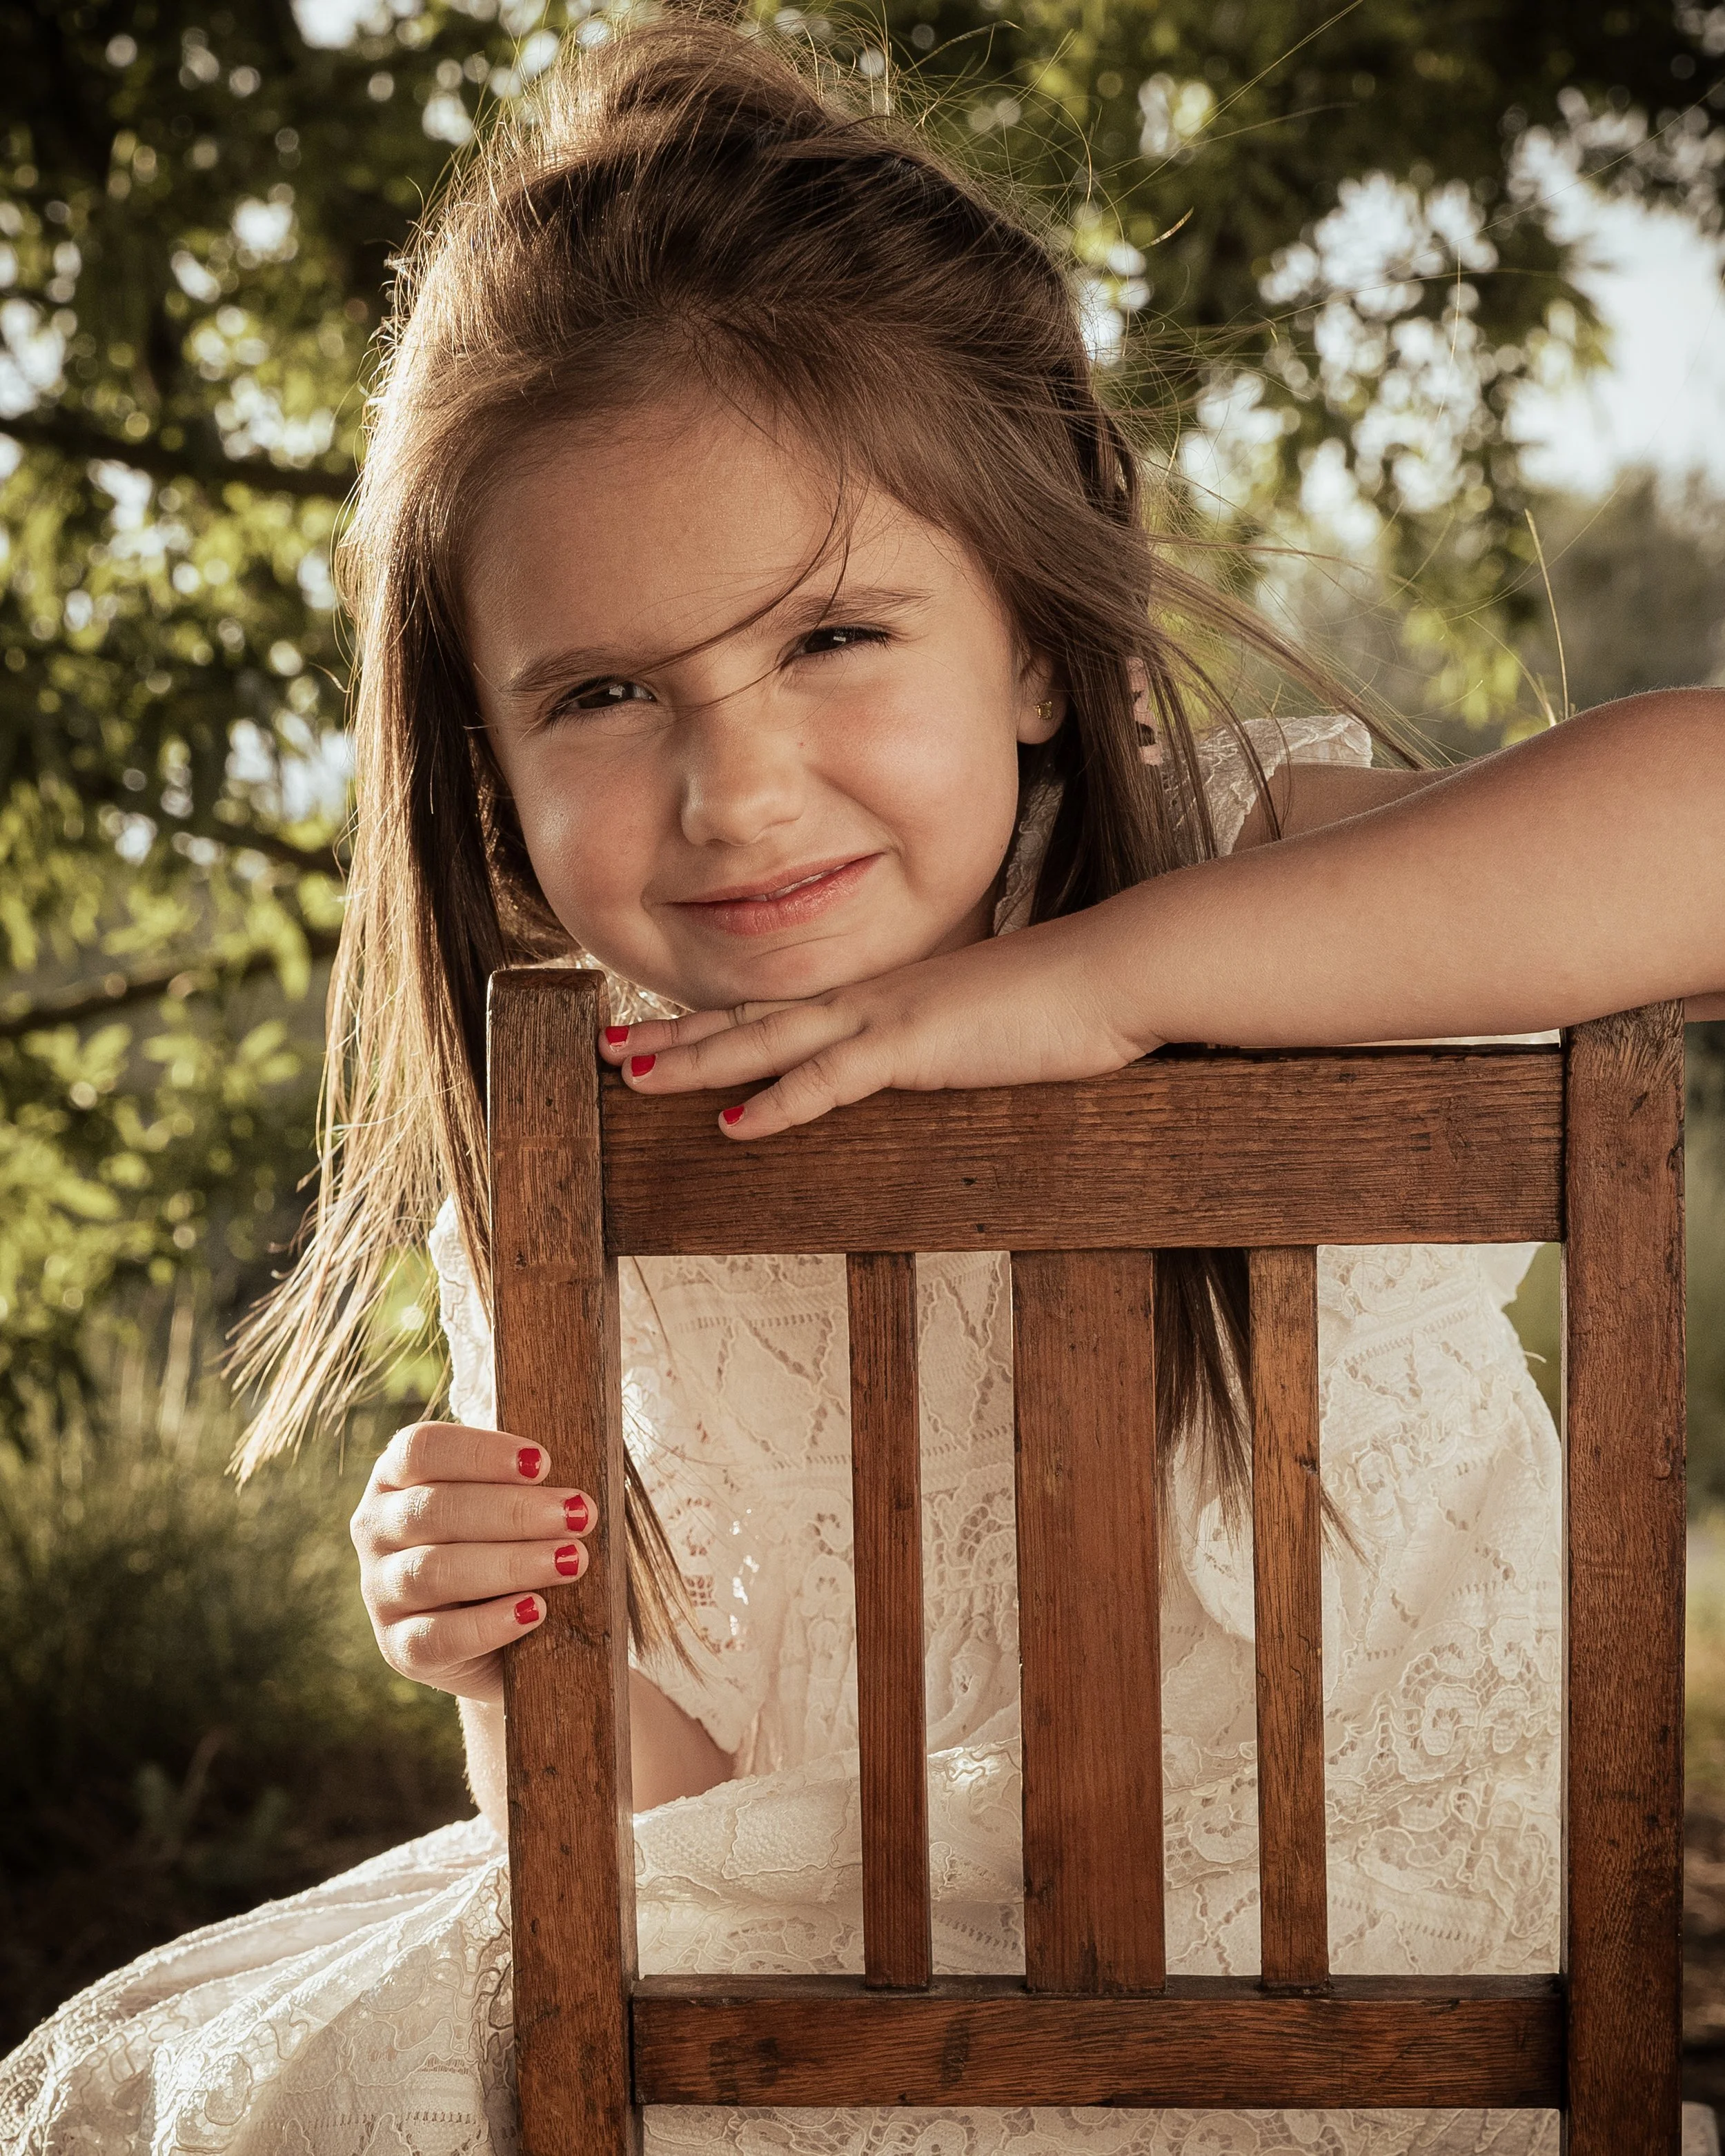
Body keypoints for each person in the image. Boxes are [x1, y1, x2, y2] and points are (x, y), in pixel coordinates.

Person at [3, 15, 1721, 2155]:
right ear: (483, 760)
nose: (735, 790)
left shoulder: (1241, 881)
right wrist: (514, 1650)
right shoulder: (578, 1119)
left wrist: (1099, 987)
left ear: (1029, 634)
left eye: (829, 637)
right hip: (836, 2032)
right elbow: (686, 1838)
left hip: (1392, 2020)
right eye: (610, 692)